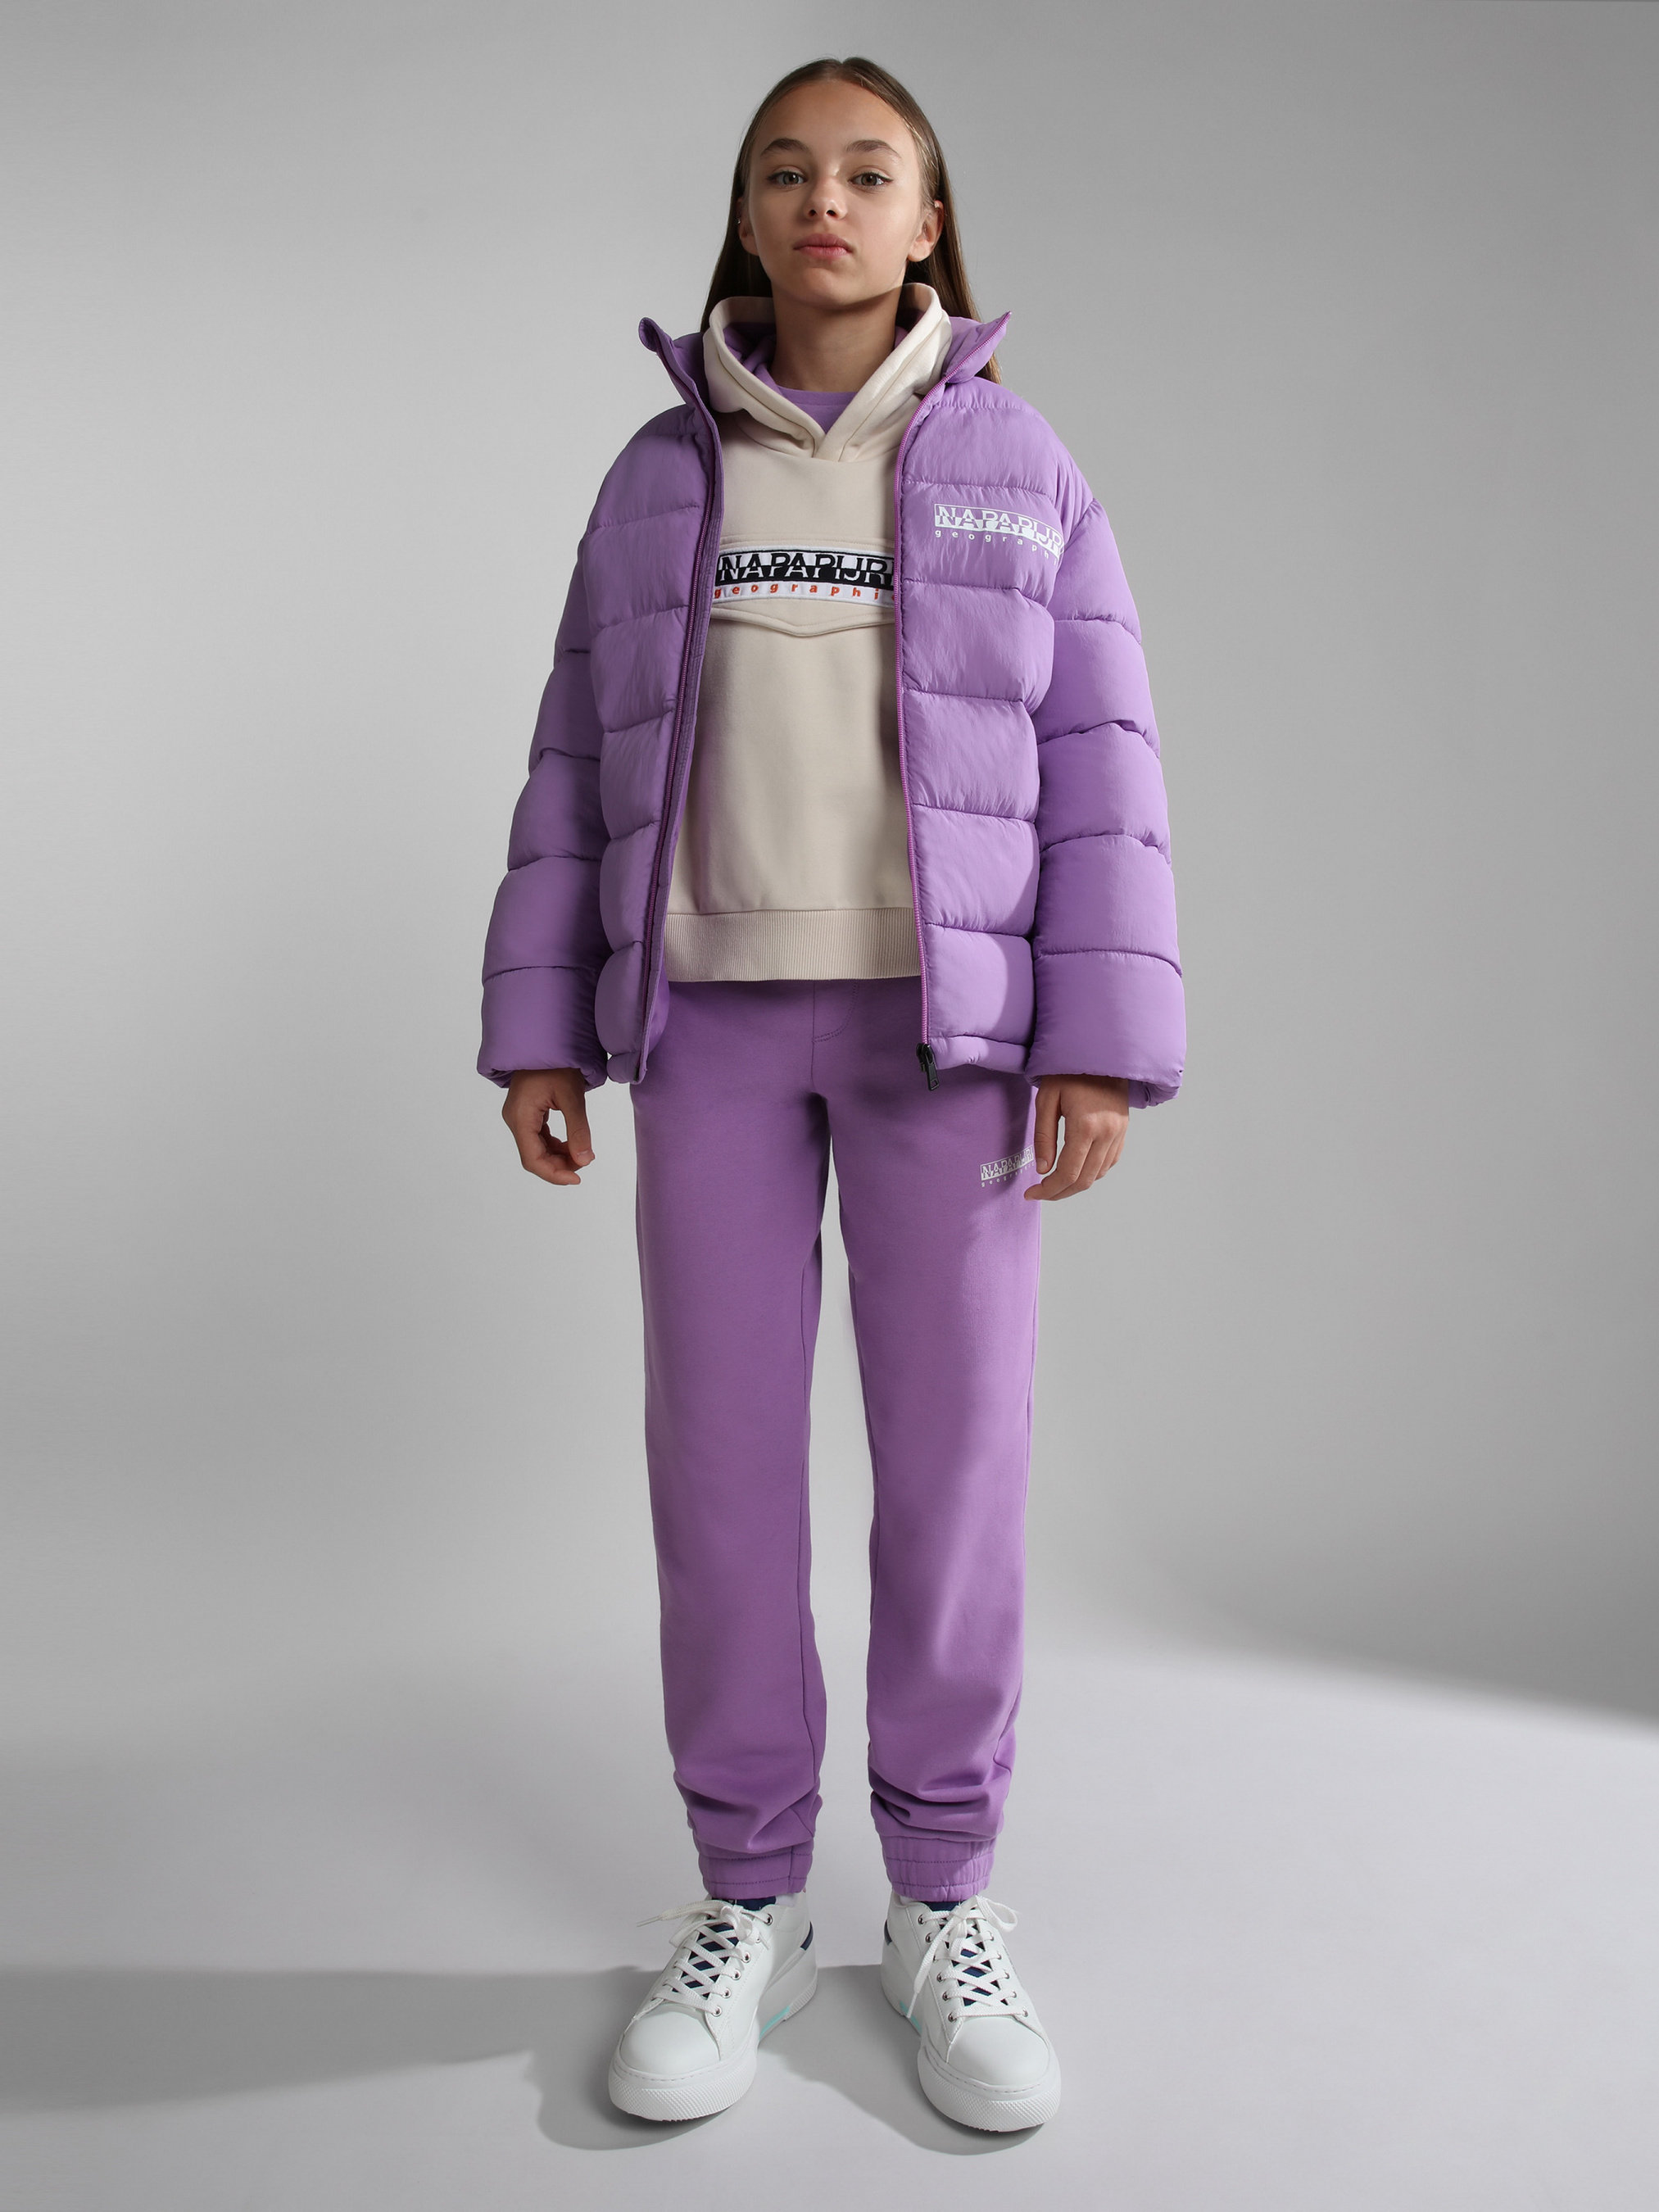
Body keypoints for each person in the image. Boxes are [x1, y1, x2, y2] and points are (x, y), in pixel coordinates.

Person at [478, 54, 1184, 2135]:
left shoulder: (1015, 465)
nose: (824, 201)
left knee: (952, 1478)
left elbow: (1100, 766)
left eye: (868, 172)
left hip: (939, 1048)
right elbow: (573, 754)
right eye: (785, 171)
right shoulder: (654, 478)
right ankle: (751, 1902)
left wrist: (1092, 1041)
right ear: (745, 214)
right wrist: (540, 1024)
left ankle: (942, 1902)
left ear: (927, 220)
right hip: (705, 1036)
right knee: (718, 1477)